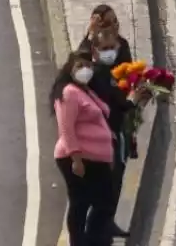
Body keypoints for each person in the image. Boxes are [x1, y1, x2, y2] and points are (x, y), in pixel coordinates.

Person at [83, 28, 145, 240]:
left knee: (114, 184)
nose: (109, 52)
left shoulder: (108, 74)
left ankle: (105, 226)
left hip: (114, 135)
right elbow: (115, 104)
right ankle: (96, 233)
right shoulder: (98, 75)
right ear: (95, 50)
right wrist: (132, 101)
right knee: (106, 189)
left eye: (112, 48)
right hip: (104, 139)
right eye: (104, 48)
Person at [52, 48, 117, 246]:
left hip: (96, 159)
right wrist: (76, 158)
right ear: (70, 68)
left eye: (89, 66)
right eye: (80, 65)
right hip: (80, 158)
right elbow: (66, 128)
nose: (85, 70)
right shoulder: (69, 93)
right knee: (82, 203)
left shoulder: (85, 91)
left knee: (101, 202)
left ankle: (90, 241)